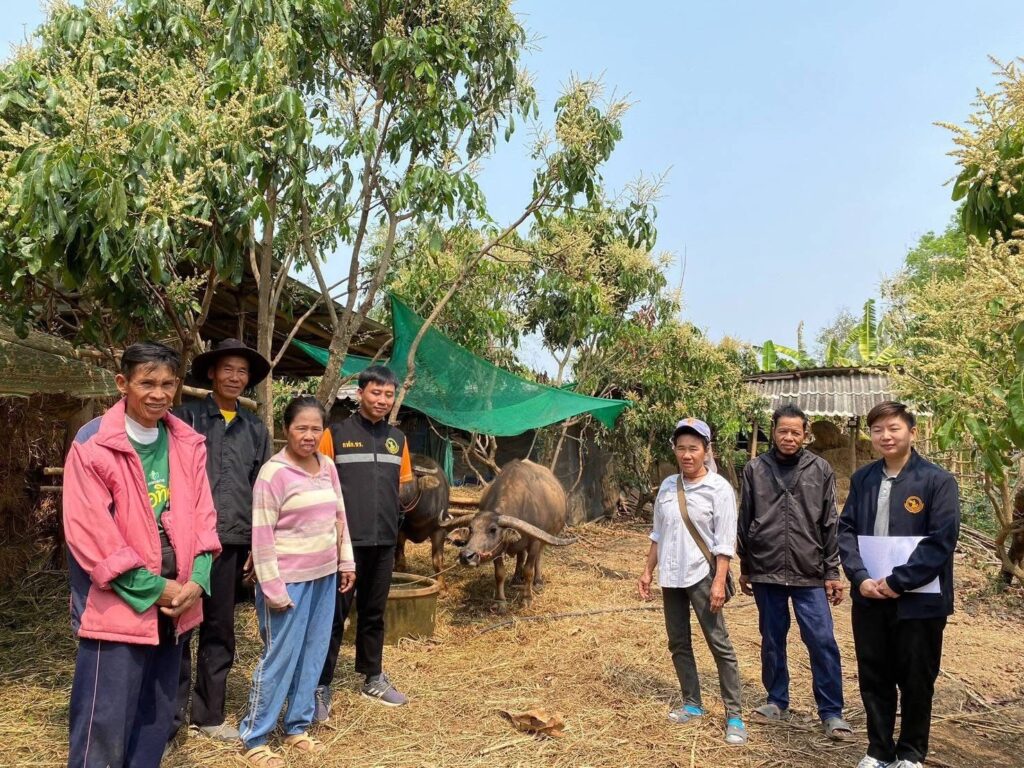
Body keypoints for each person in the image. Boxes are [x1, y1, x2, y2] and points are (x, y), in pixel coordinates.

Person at [63, 342, 221, 768]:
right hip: (119, 606)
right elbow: (90, 535)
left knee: (155, 718)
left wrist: (198, 579)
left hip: (176, 606)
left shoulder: (186, 442)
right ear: (123, 383)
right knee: (103, 725)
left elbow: (204, 518)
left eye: (167, 384)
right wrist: (157, 588)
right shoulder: (94, 444)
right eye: (147, 383)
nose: (158, 393)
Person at [838, 401, 960, 768]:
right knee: (874, 674)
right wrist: (859, 577)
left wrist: (898, 581)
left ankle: (910, 753)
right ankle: (878, 750)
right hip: (870, 597)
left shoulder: (937, 481)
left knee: (916, 677)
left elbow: (941, 540)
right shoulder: (863, 479)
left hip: (919, 600)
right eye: (877, 430)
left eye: (894, 428)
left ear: (912, 432)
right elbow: (846, 531)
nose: (885, 436)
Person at [238, 396, 356, 767]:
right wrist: (272, 588)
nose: (308, 435)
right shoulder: (273, 474)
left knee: (313, 652)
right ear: (286, 429)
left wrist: (346, 561)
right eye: (301, 428)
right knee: (280, 656)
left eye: (315, 429)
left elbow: (340, 517)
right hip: (287, 581)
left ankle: (297, 726)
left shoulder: (327, 466)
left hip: (323, 577)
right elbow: (261, 534)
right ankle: (255, 736)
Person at [173, 339, 273, 743]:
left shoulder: (255, 428)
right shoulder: (185, 418)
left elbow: (263, 489)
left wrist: (257, 545)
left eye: (242, 371)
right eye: (227, 369)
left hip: (232, 541)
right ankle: (170, 718)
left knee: (220, 627)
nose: (235, 377)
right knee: (179, 625)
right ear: (212, 373)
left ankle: (208, 715)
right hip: (185, 540)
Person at [737, 404, 851, 740]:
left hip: (809, 570)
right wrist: (746, 566)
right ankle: (776, 700)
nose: (789, 437)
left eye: (795, 432)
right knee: (772, 639)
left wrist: (832, 572)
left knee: (822, 640)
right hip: (766, 568)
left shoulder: (820, 469)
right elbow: (745, 517)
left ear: (805, 434)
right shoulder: (755, 468)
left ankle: (831, 712)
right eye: (783, 431)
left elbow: (830, 522)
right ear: (773, 431)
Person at [638, 417, 747, 747]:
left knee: (719, 643)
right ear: (675, 450)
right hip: (671, 576)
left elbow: (725, 542)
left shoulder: (719, 489)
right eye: (681, 448)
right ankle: (692, 704)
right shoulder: (668, 486)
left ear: (706, 450)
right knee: (678, 642)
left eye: (694, 448)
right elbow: (658, 533)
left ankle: (734, 715)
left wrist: (719, 581)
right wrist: (647, 571)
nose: (687, 455)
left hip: (702, 575)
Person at [314, 365, 417, 716]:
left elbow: (401, 488)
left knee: (374, 612)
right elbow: (319, 485)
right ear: (360, 394)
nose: (382, 400)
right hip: (344, 543)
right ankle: (320, 683)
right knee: (334, 614)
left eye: (389, 394)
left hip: (384, 540)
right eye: (376, 392)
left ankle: (373, 676)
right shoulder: (335, 434)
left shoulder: (398, 440)